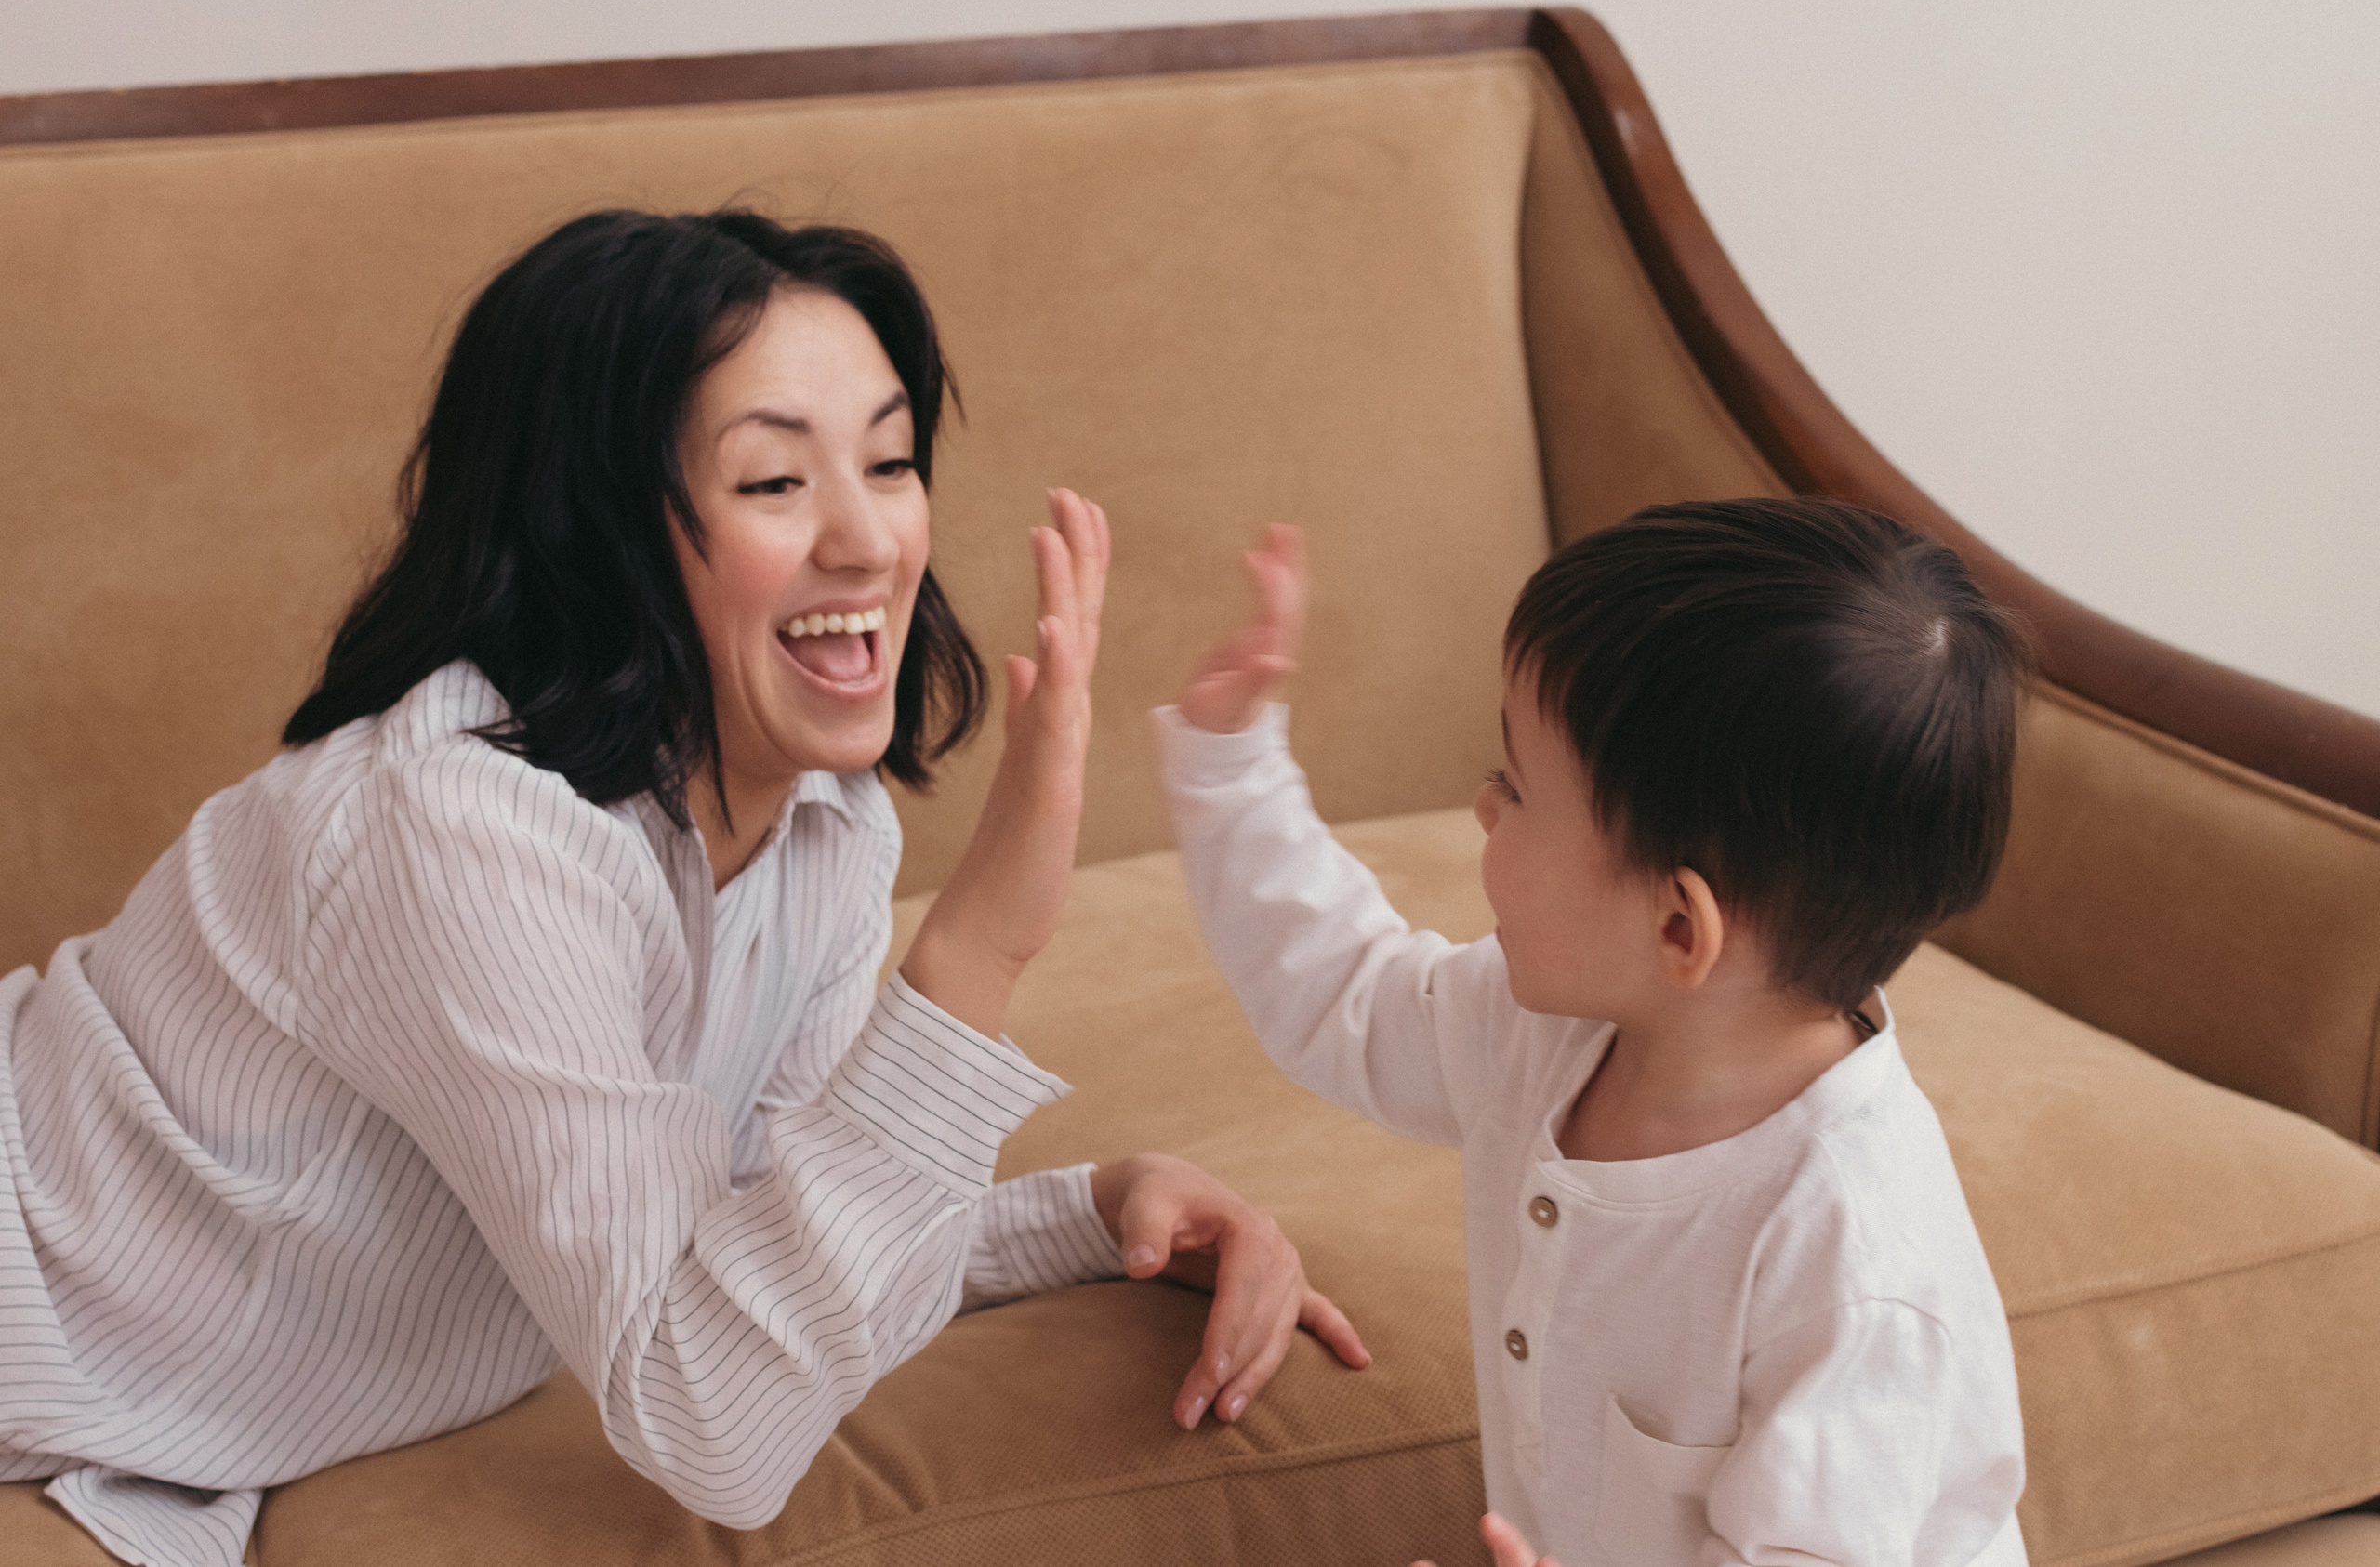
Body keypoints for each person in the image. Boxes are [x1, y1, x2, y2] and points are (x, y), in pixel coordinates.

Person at [0, 209, 1365, 1567]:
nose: (871, 541)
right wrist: (977, 956)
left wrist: (1091, 1211)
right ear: (597, 532)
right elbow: (714, 1419)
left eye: (889, 462)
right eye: (774, 482)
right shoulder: (464, 831)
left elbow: (750, 1257)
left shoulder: (824, 819)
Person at [1158, 501, 2031, 1567]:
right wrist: (1231, 765)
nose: (1481, 805)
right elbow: (1349, 996)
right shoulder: (1549, 1030)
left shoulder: (1853, 1265)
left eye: (1517, 788)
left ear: (1677, 926)